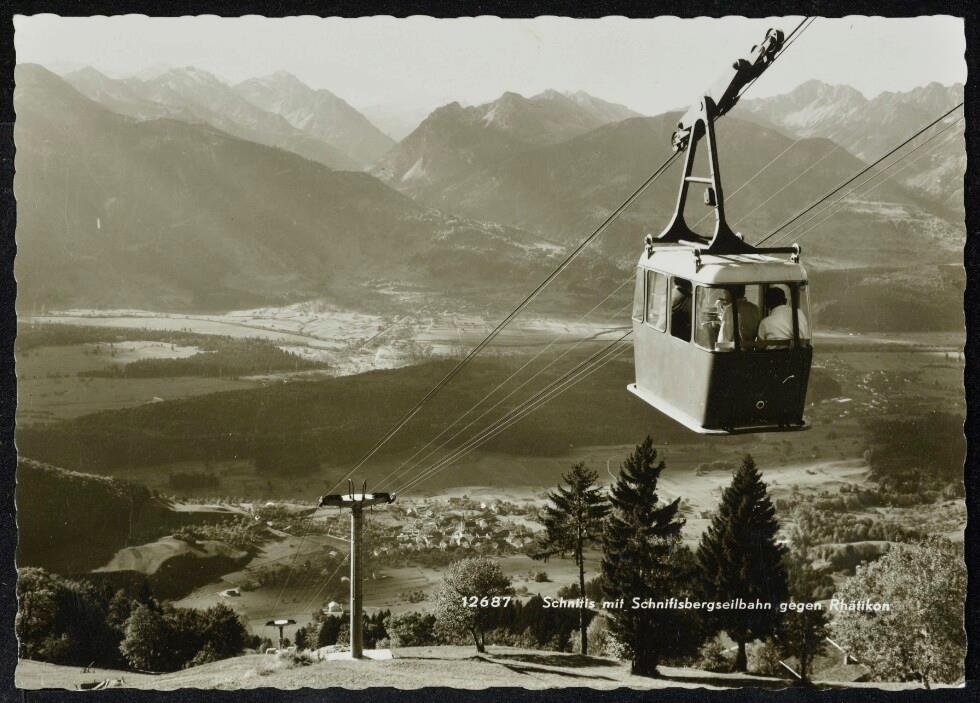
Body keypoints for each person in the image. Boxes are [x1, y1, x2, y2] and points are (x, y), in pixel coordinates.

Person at [717, 284, 761, 349]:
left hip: (734, 351)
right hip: (750, 350)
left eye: (726, 291)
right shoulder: (755, 308)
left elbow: (723, 339)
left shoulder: (730, 310)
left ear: (732, 292)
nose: (724, 292)